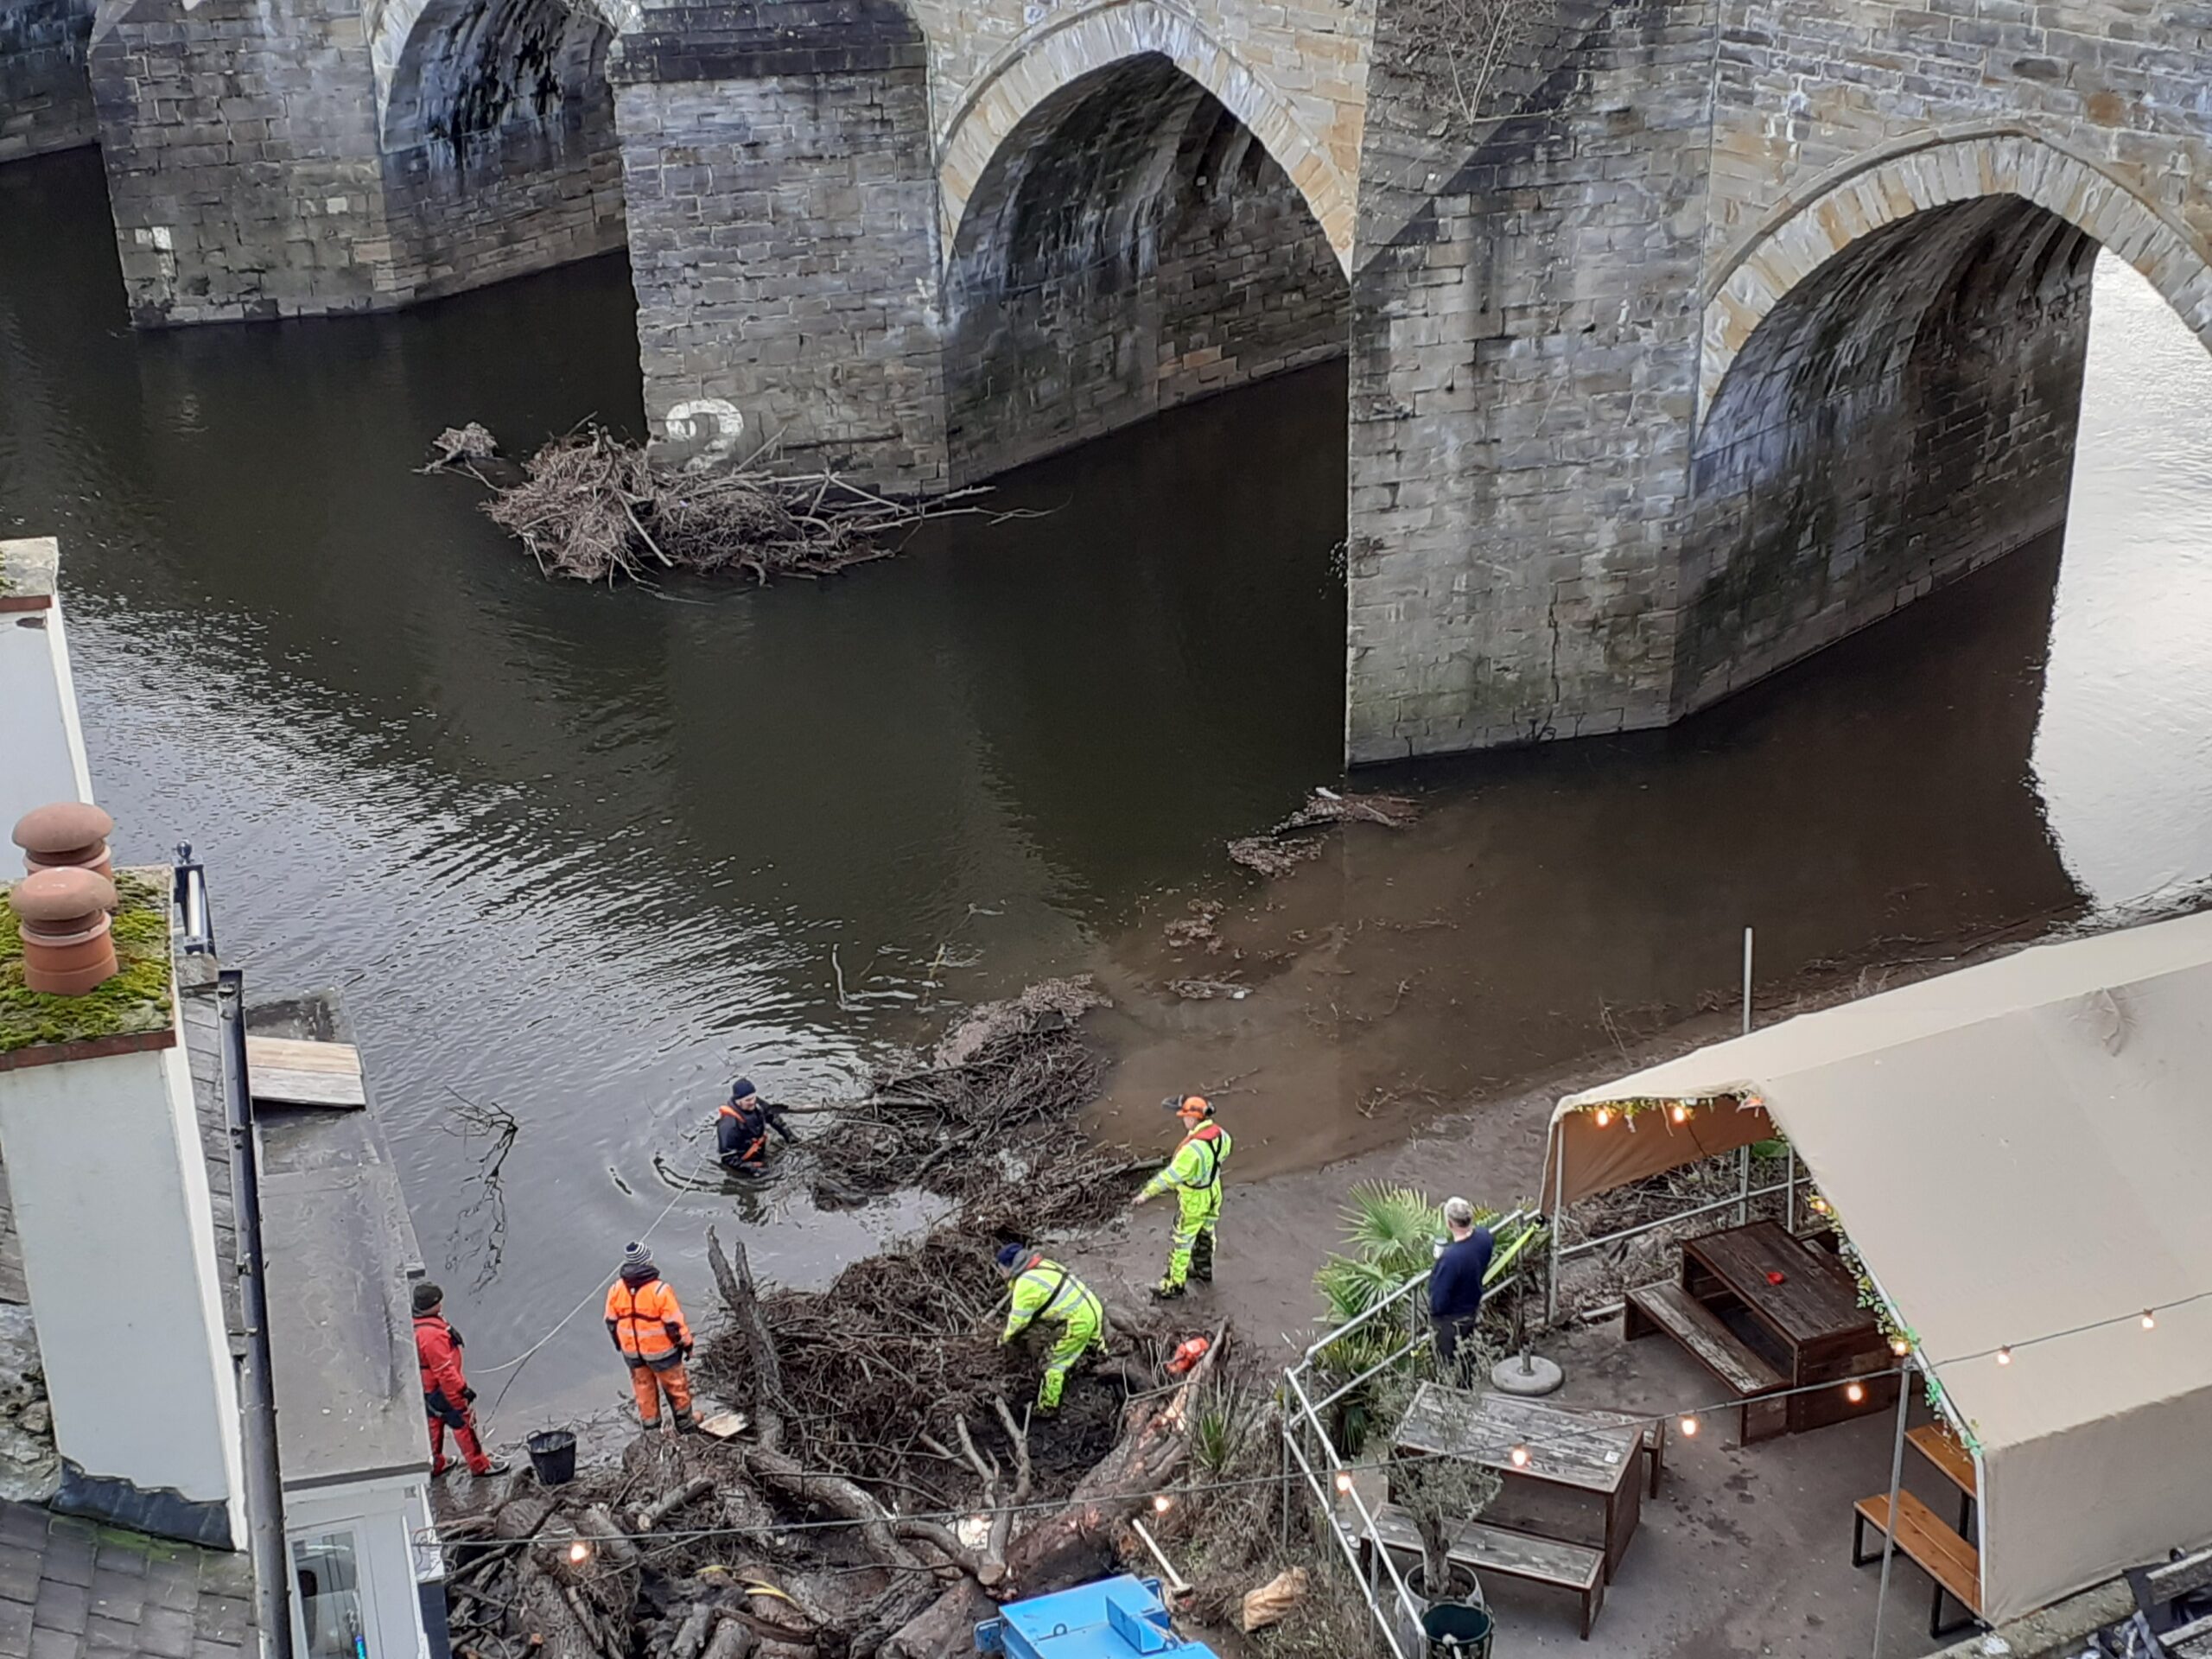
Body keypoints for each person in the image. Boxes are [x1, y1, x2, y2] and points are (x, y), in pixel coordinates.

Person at [1131, 1095, 1232, 1300]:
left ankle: (1173, 1285)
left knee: (1182, 1241)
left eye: (1185, 1116)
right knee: (1207, 1232)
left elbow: (1170, 1177)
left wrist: (1145, 1194)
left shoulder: (1192, 1150)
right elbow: (1223, 1155)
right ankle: (1204, 1270)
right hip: (1214, 1191)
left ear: (1193, 1119)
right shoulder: (1221, 1135)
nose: (1183, 1120)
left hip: (1195, 1198)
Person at [996, 1242, 1107, 1414]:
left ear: (1010, 1267)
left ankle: (1048, 1406)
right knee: (1093, 1348)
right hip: (1092, 1309)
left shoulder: (1025, 1284)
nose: (1000, 1273)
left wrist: (1004, 1340)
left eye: (1002, 1268)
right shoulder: (1044, 1264)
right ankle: (1100, 1359)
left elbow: (1018, 1323)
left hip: (1077, 1323)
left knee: (1053, 1364)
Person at [414, 1282, 508, 1478]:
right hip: (442, 1388)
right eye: (439, 1302)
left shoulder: (416, 1325)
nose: (442, 1305)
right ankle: (480, 1466)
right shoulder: (431, 1336)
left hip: (426, 1387)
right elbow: (444, 1371)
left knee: (433, 1424)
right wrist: (461, 1391)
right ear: (433, 1304)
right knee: (464, 1424)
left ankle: (435, 1464)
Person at [604, 1243, 696, 1432]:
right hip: (661, 1352)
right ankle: (686, 1427)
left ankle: (652, 1432)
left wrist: (620, 1345)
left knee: (643, 1391)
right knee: (676, 1387)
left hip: (632, 1354)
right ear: (647, 1262)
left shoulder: (615, 1289)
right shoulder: (660, 1290)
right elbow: (675, 1325)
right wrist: (688, 1345)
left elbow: (610, 1322)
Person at [1428, 1196, 1495, 1381]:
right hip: (1471, 1307)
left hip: (1450, 1319)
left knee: (1446, 1361)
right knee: (1467, 1353)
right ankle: (1467, 1385)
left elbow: (1438, 1300)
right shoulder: (1484, 1237)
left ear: (1449, 1223)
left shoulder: (1451, 1259)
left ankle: (1450, 1393)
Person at [716, 1077, 796, 1176]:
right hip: (743, 1162)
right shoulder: (728, 1125)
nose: (753, 1102)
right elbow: (728, 1159)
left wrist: (789, 1136)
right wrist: (752, 1169)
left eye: (754, 1097)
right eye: (748, 1100)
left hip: (758, 1149)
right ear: (738, 1101)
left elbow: (773, 1118)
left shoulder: (757, 1104)